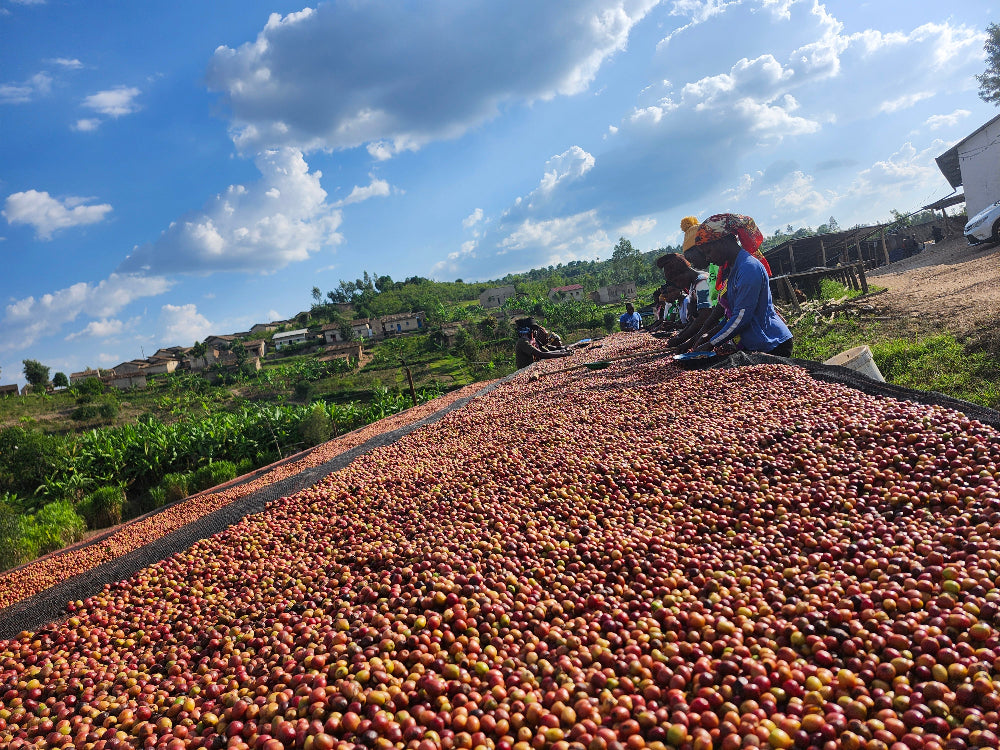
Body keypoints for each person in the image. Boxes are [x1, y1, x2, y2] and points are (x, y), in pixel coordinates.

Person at [687, 214, 792, 357]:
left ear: (722, 242)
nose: (708, 258)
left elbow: (742, 317)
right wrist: (709, 334)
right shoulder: (731, 270)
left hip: (770, 343)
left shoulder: (748, 268)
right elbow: (731, 314)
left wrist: (712, 343)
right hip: (754, 344)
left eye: (708, 252)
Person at [656, 253, 717, 351]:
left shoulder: (702, 282)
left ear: (684, 272)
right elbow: (693, 320)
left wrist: (684, 340)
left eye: (676, 280)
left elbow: (704, 316)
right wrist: (680, 336)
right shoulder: (693, 286)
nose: (677, 284)